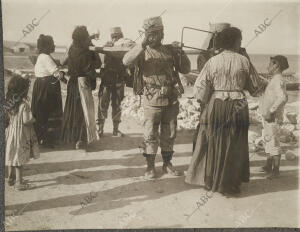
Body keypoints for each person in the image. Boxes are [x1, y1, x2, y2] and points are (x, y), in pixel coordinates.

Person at [185, 27, 267, 195]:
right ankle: (231, 184)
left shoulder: (212, 61)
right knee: (236, 144)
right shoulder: (244, 61)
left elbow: (199, 91)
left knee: (216, 142)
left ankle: (213, 180)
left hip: (217, 105)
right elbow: (255, 88)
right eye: (240, 41)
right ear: (236, 41)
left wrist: (208, 100)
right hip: (238, 105)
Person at [123, 16, 191, 179]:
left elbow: (186, 69)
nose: (152, 37)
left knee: (170, 132)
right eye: (149, 34)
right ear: (145, 34)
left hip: (170, 97)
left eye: (155, 33)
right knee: (150, 133)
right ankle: (150, 167)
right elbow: (126, 61)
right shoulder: (141, 50)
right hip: (151, 98)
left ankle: (167, 164)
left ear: (162, 33)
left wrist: (180, 53)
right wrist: (143, 43)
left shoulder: (170, 50)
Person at [61, 26, 101, 150]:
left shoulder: (72, 49)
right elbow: (97, 64)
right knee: (84, 111)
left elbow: (63, 62)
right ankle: (81, 139)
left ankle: (72, 138)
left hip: (72, 83)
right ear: (84, 39)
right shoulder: (88, 51)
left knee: (73, 111)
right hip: (83, 83)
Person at [5, 76, 40, 191]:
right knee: (19, 158)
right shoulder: (24, 105)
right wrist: (34, 119)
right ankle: (19, 183)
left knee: (12, 155)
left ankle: (11, 178)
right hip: (20, 136)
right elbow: (26, 120)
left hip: (11, 134)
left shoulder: (9, 104)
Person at [32, 34, 66, 147]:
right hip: (47, 88)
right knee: (48, 112)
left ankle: (41, 137)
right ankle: (47, 140)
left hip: (41, 86)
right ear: (46, 46)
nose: (54, 45)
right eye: (52, 43)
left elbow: (56, 63)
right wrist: (66, 78)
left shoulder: (43, 56)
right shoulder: (45, 57)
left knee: (41, 111)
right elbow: (57, 74)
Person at [259, 55, 289, 178]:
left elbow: (282, 97)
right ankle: (268, 165)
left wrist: (271, 111)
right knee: (268, 141)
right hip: (268, 117)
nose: (268, 66)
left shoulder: (278, 80)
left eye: (271, 64)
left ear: (277, 66)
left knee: (274, 143)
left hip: (272, 118)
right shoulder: (275, 79)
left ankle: (275, 171)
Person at [97, 27, 127, 137]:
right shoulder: (107, 46)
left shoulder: (124, 46)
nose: (116, 39)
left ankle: (115, 129)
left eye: (118, 36)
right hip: (107, 79)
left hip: (118, 79)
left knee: (117, 105)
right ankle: (100, 129)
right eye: (114, 37)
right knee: (102, 104)